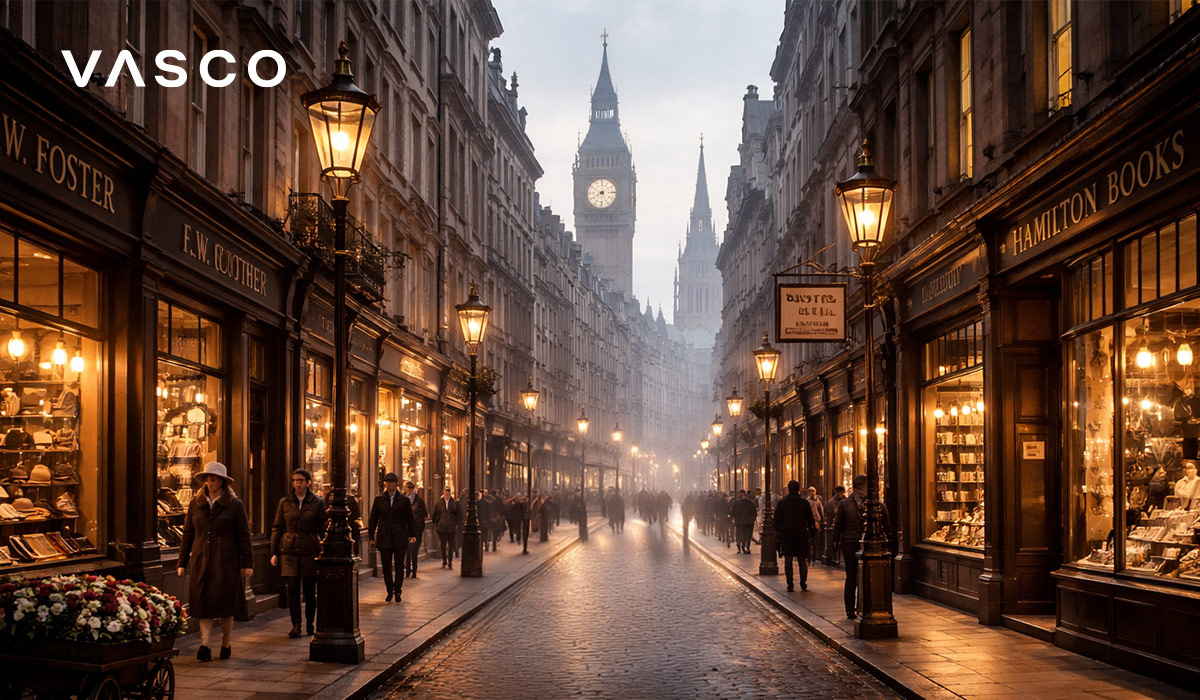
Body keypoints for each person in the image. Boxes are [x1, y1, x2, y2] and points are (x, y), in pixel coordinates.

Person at [178, 462, 252, 662]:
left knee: (226, 605)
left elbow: (244, 535)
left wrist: (248, 563)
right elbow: (188, 533)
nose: (210, 482)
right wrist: (182, 562)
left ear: (222, 482)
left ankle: (226, 643)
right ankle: (205, 645)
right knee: (203, 605)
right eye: (208, 478)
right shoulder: (196, 503)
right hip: (202, 561)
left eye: (214, 478)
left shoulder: (235, 505)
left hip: (226, 562)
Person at [270, 469, 326, 638]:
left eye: (301, 480)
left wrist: (325, 550)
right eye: (295, 480)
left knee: (309, 590)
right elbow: (277, 527)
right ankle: (296, 624)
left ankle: (310, 622)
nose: (298, 483)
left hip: (310, 551)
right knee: (292, 590)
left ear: (308, 483)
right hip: (289, 551)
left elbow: (323, 528)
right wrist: (274, 552)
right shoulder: (285, 502)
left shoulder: (317, 502)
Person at [833, 474, 889, 619]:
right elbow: (838, 525)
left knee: (862, 577)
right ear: (861, 487)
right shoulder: (847, 504)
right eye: (867, 487)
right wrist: (835, 541)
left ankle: (861, 607)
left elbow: (886, 524)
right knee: (853, 577)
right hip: (852, 543)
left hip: (863, 543)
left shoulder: (874, 504)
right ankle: (850, 608)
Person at [369, 473, 419, 602]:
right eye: (388, 482)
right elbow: (373, 518)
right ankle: (389, 590)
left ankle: (398, 591)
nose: (390, 484)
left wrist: (412, 534)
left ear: (397, 484)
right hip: (384, 537)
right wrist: (370, 535)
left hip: (399, 537)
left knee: (398, 565)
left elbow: (409, 519)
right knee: (386, 566)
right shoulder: (379, 500)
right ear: (384, 484)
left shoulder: (404, 500)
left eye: (393, 482)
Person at [774, 480, 817, 592]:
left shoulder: (782, 502)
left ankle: (790, 584)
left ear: (788, 489)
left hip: (787, 534)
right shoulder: (804, 503)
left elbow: (777, 520)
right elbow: (810, 520)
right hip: (801, 534)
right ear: (799, 490)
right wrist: (811, 534)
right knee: (802, 560)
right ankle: (803, 583)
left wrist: (778, 533)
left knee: (788, 560)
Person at [403, 481, 427, 578]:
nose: (407, 490)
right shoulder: (402, 499)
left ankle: (414, 571)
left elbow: (425, 513)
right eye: (407, 488)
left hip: (416, 528)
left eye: (409, 488)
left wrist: (417, 518)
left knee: (414, 550)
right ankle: (408, 570)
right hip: (405, 528)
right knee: (407, 550)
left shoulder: (419, 500)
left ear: (412, 489)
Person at [432, 487, 458, 568]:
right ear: (443, 493)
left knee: (451, 545)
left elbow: (458, 514)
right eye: (445, 493)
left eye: (448, 494)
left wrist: (456, 523)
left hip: (451, 527)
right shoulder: (439, 503)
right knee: (443, 545)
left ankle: (450, 561)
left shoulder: (454, 502)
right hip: (442, 527)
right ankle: (444, 561)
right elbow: (435, 514)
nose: (446, 495)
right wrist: (436, 523)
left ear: (450, 494)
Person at [730, 489, 757, 553]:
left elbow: (733, 512)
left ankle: (741, 547)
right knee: (747, 535)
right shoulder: (750, 502)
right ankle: (746, 547)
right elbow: (754, 511)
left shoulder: (737, 502)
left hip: (740, 521)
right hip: (748, 521)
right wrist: (753, 518)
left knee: (741, 535)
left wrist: (733, 518)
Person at [825, 485, 846, 564]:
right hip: (836, 526)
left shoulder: (842, 501)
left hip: (838, 526)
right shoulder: (832, 503)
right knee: (833, 543)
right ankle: (832, 558)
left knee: (834, 542)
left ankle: (834, 559)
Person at [806, 487, 824, 564]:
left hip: (815, 522)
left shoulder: (817, 500)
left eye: (812, 491)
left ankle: (813, 557)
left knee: (814, 541)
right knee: (810, 540)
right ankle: (810, 557)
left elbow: (821, 511)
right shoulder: (808, 500)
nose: (811, 492)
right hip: (810, 522)